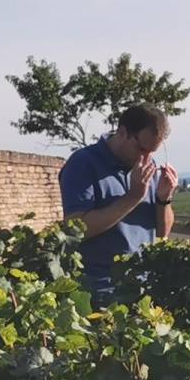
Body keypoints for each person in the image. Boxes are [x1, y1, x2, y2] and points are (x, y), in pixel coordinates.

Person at [58, 103, 178, 302]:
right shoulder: (82, 164)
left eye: (152, 152)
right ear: (122, 132)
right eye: (142, 149)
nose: (146, 158)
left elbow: (162, 233)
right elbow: (76, 230)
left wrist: (164, 200)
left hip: (143, 288)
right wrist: (133, 197)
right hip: (99, 291)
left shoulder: (149, 167)